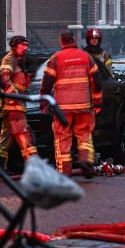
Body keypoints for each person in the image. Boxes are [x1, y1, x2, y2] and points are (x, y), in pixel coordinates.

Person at [40, 31, 102, 177]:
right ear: (74, 40)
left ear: (61, 42)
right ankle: (85, 161)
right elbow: (97, 82)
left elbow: (47, 83)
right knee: (84, 135)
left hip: (63, 109)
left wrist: (44, 103)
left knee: (63, 139)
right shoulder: (85, 57)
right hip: (83, 106)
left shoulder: (56, 58)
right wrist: (97, 103)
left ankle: (65, 172)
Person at [0, 35, 38, 171]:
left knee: (5, 138)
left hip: (15, 105)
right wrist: (16, 95)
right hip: (13, 105)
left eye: (27, 45)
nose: (26, 48)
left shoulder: (19, 60)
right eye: (23, 45)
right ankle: (33, 165)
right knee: (22, 134)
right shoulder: (9, 59)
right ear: (15, 46)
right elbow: (4, 80)